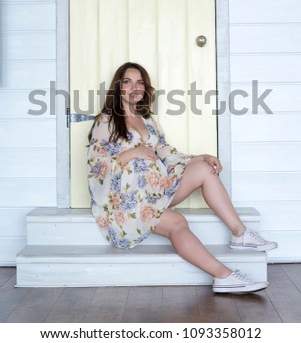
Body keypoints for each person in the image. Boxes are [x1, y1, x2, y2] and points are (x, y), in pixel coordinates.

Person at [87, 62, 277, 294]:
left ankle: (240, 234)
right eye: (128, 82)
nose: (134, 87)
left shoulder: (148, 122)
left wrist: (200, 157)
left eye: (140, 83)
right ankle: (224, 276)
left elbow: (167, 153)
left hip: (157, 190)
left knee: (205, 169)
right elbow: (97, 165)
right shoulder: (106, 121)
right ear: (118, 87)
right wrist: (131, 152)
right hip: (130, 203)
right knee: (178, 223)